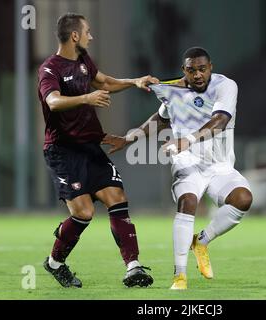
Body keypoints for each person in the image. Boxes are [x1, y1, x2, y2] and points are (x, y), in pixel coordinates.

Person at [103, 47, 253, 290]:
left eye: (202, 69)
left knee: (243, 199)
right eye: (191, 70)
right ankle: (180, 275)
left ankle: (201, 241)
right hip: (187, 161)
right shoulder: (174, 90)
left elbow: (220, 121)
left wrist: (188, 139)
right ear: (184, 71)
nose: (197, 75)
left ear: (210, 67)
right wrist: (129, 138)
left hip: (220, 165)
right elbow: (160, 118)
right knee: (189, 201)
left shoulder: (226, 86)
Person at [37, 13, 158, 288]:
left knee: (116, 196)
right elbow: (53, 102)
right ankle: (55, 262)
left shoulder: (83, 62)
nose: (91, 36)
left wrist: (135, 82)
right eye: (88, 31)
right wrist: (87, 98)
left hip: (90, 147)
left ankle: (133, 266)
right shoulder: (49, 68)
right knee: (84, 212)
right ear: (75, 36)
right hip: (63, 151)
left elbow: (103, 82)